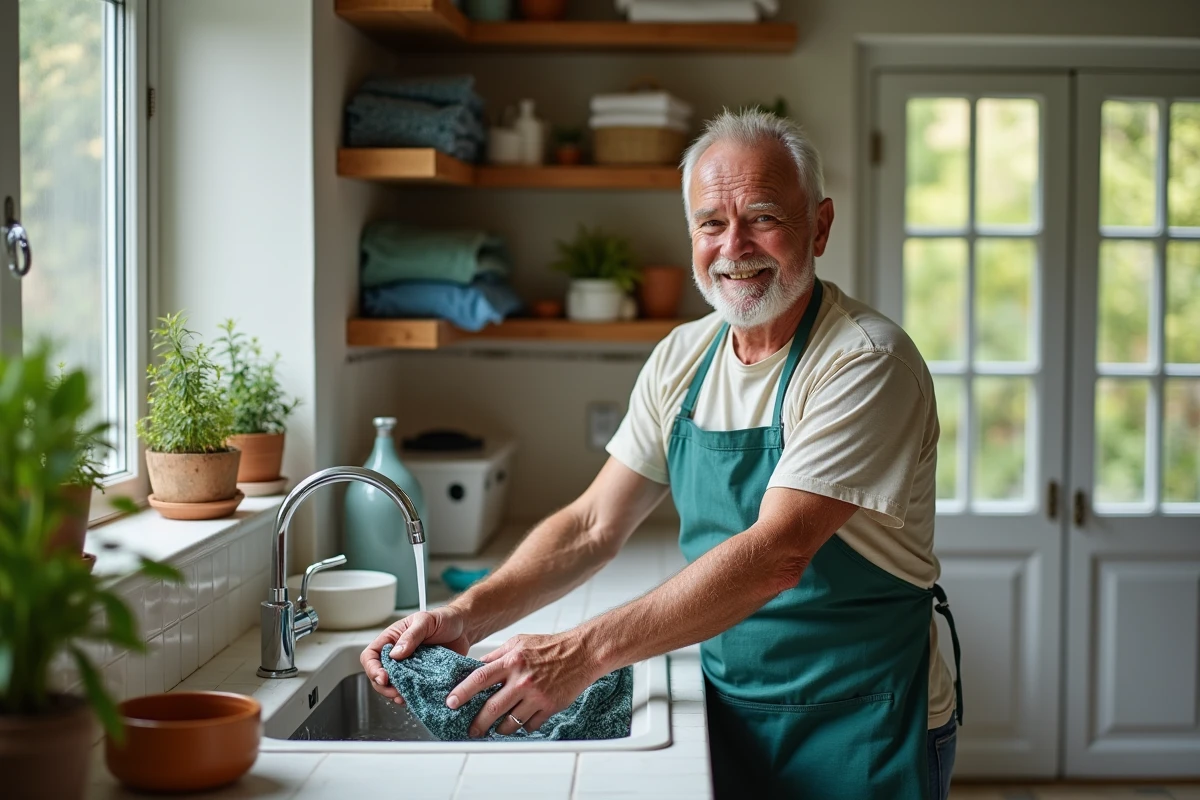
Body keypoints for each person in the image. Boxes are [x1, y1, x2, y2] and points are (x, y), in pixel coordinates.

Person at [360, 109, 963, 800]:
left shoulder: (863, 363)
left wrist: (578, 654)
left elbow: (777, 555)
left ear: (819, 226)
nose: (733, 246)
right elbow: (592, 526)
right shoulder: (684, 356)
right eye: (711, 223)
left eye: (762, 217)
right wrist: (465, 615)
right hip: (727, 709)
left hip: (862, 725)